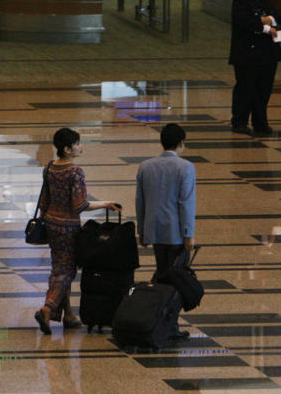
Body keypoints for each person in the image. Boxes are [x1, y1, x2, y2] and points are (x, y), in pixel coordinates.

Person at [33, 127, 121, 335]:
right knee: (67, 270)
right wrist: (106, 204)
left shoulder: (49, 168)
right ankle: (47, 308)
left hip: (51, 224)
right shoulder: (75, 172)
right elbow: (80, 205)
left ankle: (69, 316)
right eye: (77, 144)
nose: (81, 147)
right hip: (68, 227)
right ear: (67, 149)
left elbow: (44, 201)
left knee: (59, 268)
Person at [135, 123, 196, 345]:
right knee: (176, 282)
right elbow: (186, 203)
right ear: (181, 143)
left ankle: (160, 322)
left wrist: (141, 230)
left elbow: (140, 201)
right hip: (176, 232)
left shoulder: (145, 166)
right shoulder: (185, 167)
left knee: (162, 275)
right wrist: (189, 233)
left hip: (155, 230)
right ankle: (168, 325)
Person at [229, 0, 281, 136]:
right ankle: (240, 121)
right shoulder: (242, 0)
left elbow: (278, 16)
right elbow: (246, 22)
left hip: (267, 53)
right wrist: (267, 27)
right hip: (247, 54)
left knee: (263, 89)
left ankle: (260, 123)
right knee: (246, 88)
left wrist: (267, 20)